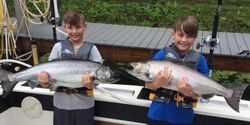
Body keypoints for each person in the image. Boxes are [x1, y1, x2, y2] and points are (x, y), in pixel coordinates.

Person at [38, 9, 103, 125]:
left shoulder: (93, 49)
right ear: (65, 27)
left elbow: (98, 80)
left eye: (78, 27)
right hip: (61, 104)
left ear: (85, 26)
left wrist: (90, 85)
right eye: (70, 28)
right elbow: (48, 82)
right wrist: (43, 82)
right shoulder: (58, 47)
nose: (74, 31)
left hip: (85, 105)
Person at [146, 15, 209, 125]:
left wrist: (188, 92)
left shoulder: (200, 60)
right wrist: (159, 82)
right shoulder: (162, 54)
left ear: (195, 38)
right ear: (173, 35)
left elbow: (202, 93)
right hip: (157, 115)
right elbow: (148, 85)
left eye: (189, 36)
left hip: (183, 119)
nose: (184, 40)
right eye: (180, 35)